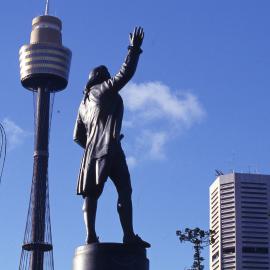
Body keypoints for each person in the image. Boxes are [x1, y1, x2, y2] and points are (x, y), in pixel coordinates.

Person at [73, 27, 150, 248]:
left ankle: (90, 235)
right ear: (101, 78)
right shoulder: (104, 90)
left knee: (91, 195)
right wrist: (134, 49)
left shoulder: (83, 104)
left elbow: (77, 136)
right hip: (110, 149)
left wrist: (92, 145)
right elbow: (124, 73)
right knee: (124, 190)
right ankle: (128, 235)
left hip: (91, 154)